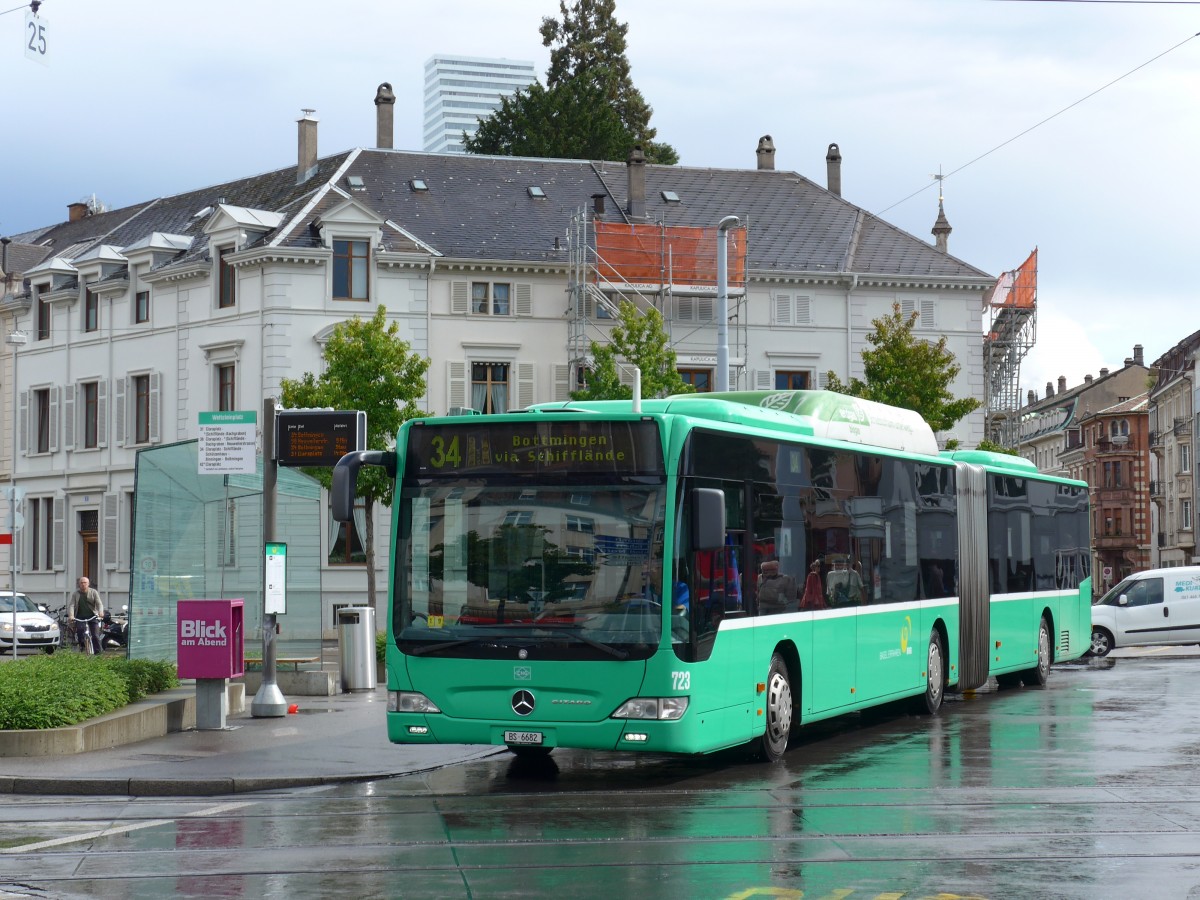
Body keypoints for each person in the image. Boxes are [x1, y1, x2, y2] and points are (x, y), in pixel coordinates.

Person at [68, 576, 105, 655]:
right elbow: (71, 605)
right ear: (79, 584)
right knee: (80, 633)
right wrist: (71, 615)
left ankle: (98, 653)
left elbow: (99, 603)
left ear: (88, 584)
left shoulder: (93, 592)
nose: (83, 584)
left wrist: (100, 612)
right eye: (81, 583)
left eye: (85, 583)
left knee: (95, 635)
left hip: (92, 616)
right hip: (80, 617)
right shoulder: (75, 594)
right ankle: (83, 647)